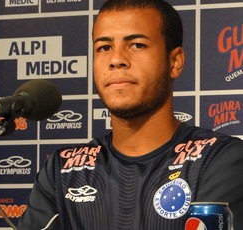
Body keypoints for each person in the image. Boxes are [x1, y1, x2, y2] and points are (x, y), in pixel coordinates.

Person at [18, 0, 243, 229]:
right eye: (104, 47)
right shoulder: (61, 171)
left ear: (174, 62)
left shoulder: (220, 160)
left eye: (136, 45)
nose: (116, 60)